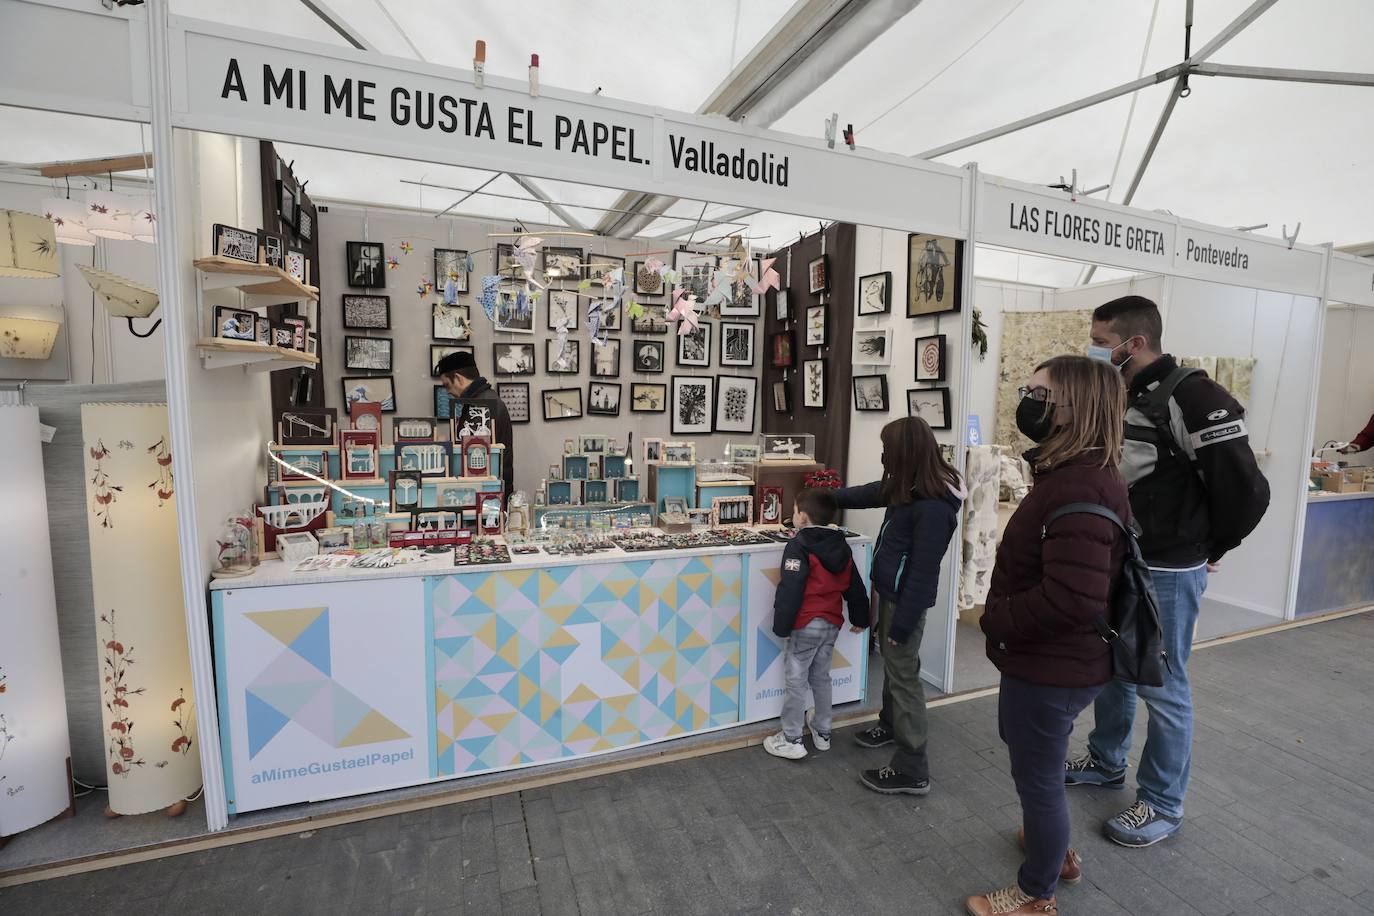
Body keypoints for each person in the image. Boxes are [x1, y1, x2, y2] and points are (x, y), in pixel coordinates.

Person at [1068, 295, 1270, 848]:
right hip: (1121, 556)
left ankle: (1162, 802)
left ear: (1135, 343)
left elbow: (1247, 489)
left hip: (1168, 569)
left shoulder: (1194, 395)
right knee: (1114, 666)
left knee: (1163, 683)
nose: (1095, 350)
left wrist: (1213, 544)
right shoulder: (1122, 391)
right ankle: (1107, 760)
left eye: (1102, 342)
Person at [965, 355, 1130, 916]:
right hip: (1051, 661)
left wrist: (997, 620)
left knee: (1038, 776)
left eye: (1039, 393)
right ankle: (1050, 844)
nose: (1027, 401)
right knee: (1032, 759)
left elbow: (1072, 598)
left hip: (1054, 662)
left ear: (1074, 407)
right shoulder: (1073, 476)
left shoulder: (1079, 486)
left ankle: (1037, 891)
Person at [834, 416, 961, 795]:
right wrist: (831, 497)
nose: (883, 454)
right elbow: (875, 492)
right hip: (891, 593)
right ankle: (890, 725)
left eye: (888, 448)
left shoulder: (934, 507)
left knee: (904, 672)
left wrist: (902, 625)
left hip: (905, 602)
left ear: (904, 452)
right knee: (896, 664)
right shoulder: (910, 487)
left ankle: (912, 767)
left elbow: (922, 576)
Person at [763, 488, 871, 761]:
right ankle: (822, 732)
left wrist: (781, 625)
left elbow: (791, 589)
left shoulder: (798, 546)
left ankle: (791, 738)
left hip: (805, 623)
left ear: (803, 517)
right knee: (822, 677)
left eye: (796, 511)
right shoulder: (842, 545)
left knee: (796, 680)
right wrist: (861, 616)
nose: (794, 515)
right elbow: (855, 585)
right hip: (831, 624)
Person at [435, 350, 514, 497]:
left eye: (447, 385)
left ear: (458, 378)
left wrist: (444, 447)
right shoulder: (484, 400)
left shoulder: (481, 405)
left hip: (485, 496)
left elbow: (471, 460)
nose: (447, 392)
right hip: (492, 492)